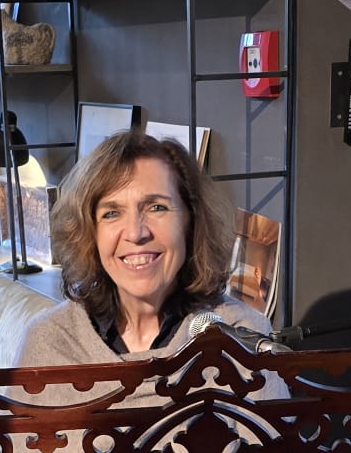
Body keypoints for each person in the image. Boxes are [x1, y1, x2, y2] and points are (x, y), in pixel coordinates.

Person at [18, 130, 276, 365]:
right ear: (90, 234)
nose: (136, 233)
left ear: (192, 221)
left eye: (157, 208)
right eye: (112, 213)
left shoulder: (243, 337)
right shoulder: (50, 343)